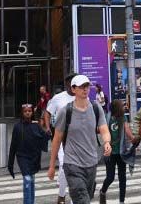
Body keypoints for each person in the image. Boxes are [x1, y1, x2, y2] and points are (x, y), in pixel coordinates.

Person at [47, 75, 111, 204]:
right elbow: (57, 139)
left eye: (87, 86)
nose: (85, 89)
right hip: (72, 163)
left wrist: (107, 142)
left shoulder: (95, 107)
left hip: (91, 162)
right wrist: (52, 166)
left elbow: (104, 129)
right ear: (74, 89)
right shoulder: (66, 111)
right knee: (82, 200)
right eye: (82, 87)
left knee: (85, 197)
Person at [44, 74, 78, 204]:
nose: (72, 86)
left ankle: (73, 197)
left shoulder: (81, 97)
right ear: (67, 84)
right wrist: (47, 127)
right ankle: (62, 195)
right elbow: (47, 113)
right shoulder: (58, 98)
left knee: (77, 169)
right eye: (70, 83)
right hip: (61, 138)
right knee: (64, 166)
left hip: (78, 139)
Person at [8, 104, 48, 204]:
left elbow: (44, 138)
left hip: (34, 157)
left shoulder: (36, 125)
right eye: (25, 111)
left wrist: (47, 132)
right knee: (27, 180)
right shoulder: (17, 127)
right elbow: (13, 145)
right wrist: (10, 164)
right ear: (22, 113)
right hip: (22, 157)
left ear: (32, 112)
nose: (27, 113)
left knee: (32, 181)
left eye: (29, 111)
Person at [99, 99, 134, 204]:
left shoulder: (123, 118)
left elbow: (127, 131)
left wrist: (134, 140)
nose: (123, 107)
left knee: (122, 177)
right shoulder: (107, 118)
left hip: (121, 152)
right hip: (110, 153)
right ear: (117, 108)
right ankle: (103, 191)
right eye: (122, 106)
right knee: (110, 177)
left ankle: (121, 201)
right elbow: (102, 130)